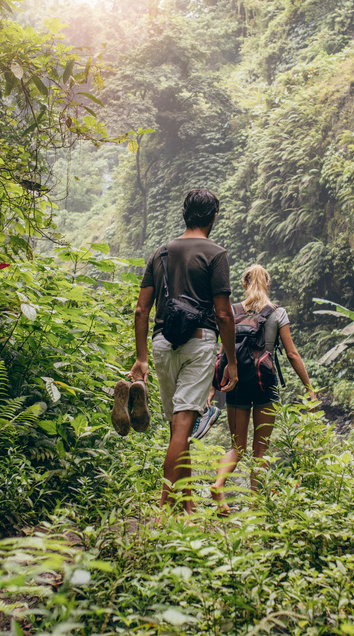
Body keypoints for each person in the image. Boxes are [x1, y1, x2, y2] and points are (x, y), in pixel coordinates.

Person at [118, 188, 239, 514]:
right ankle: (166, 504)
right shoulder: (215, 254)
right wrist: (230, 361)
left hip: (160, 344)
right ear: (213, 217)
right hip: (198, 343)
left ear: (184, 214)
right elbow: (225, 314)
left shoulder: (160, 253)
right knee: (184, 424)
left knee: (177, 425)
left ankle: (185, 504)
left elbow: (141, 310)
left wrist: (141, 358)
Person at [210, 264, 317, 514]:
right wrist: (309, 387)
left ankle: (218, 484)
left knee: (238, 446)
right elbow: (291, 353)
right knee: (261, 449)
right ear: (267, 283)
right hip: (264, 383)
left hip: (235, 382)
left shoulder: (233, 311)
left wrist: (213, 388)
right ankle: (256, 506)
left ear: (245, 284)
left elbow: (222, 353)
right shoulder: (277, 313)